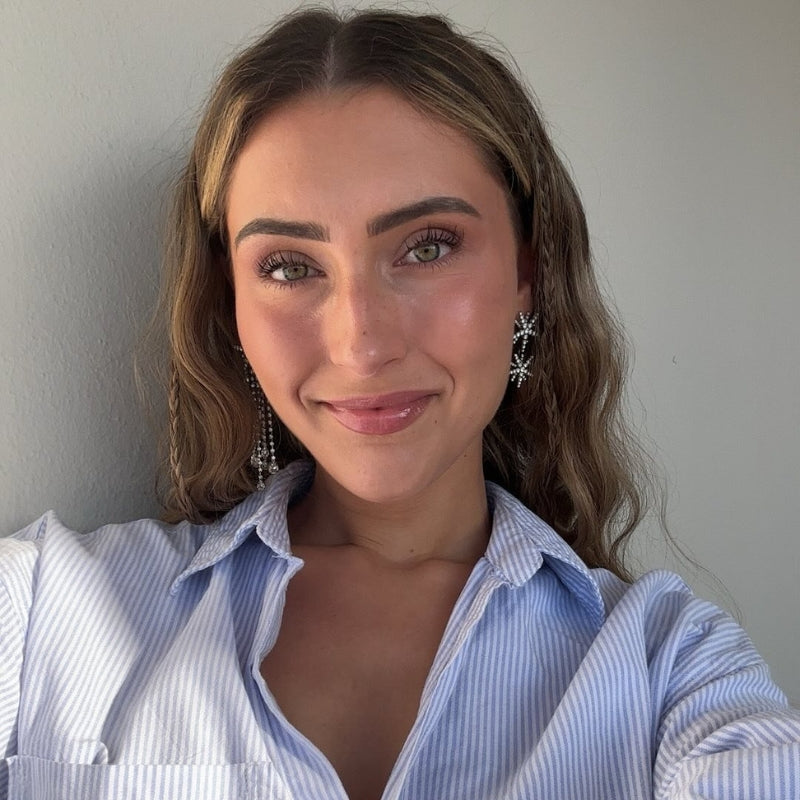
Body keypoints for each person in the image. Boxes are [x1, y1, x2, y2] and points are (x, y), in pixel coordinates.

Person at [1, 7, 798, 799]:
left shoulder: (671, 669)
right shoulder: (42, 612)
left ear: (528, 272)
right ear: (230, 300)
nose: (361, 344)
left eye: (428, 247)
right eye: (288, 266)